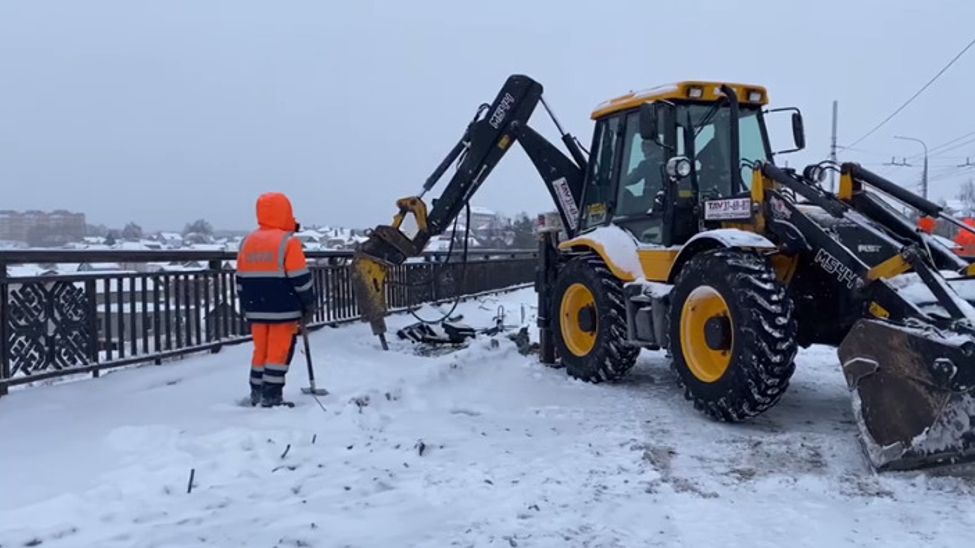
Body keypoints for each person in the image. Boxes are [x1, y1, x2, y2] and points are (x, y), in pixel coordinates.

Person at [236, 192, 316, 407]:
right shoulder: (288, 243)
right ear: (285, 213)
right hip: (283, 308)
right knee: (278, 352)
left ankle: (256, 392)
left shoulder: (247, 242)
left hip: (256, 309)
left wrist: (245, 305)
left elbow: (240, 279)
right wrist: (308, 302)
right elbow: (300, 278)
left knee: (260, 351)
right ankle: (272, 396)